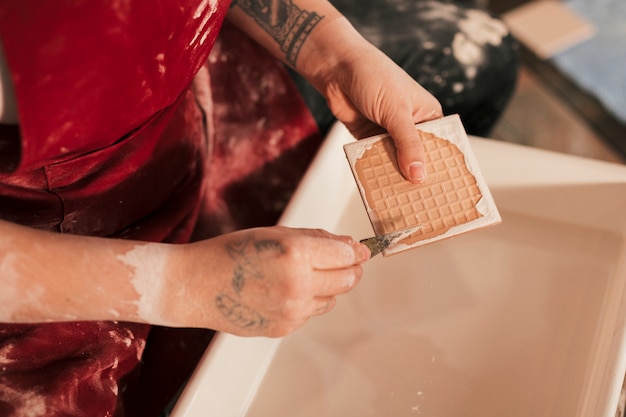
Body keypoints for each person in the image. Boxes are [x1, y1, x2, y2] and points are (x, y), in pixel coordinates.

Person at [0, 0, 518, 415]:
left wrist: (334, 56)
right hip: (46, 269)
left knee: (481, 53)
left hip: (188, 101)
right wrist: (179, 286)